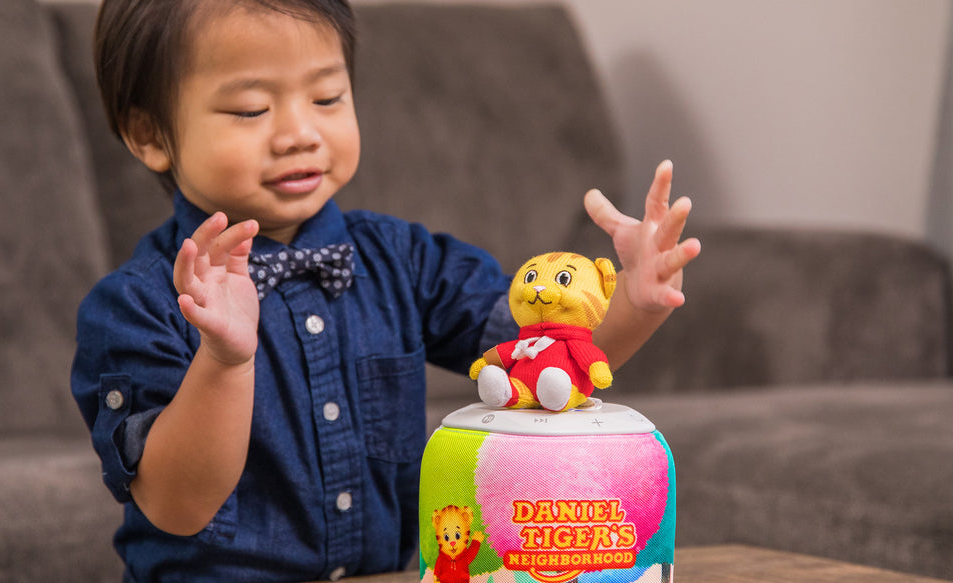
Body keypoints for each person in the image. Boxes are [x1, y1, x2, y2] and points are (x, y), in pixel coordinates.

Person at [70, 0, 701, 580]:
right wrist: (225, 361)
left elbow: (548, 361)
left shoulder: (403, 259)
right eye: (251, 109)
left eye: (327, 97)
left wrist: (637, 303)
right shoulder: (135, 307)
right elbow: (176, 505)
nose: (298, 132)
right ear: (150, 134)